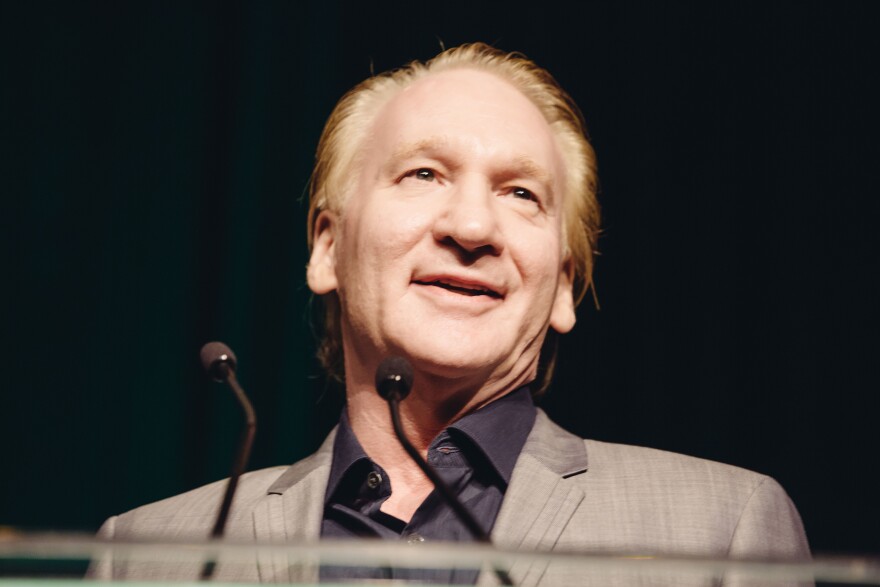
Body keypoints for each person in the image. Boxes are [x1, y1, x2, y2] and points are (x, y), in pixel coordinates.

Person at [90, 43, 810, 585]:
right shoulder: (146, 554)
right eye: (423, 173)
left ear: (562, 286)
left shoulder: (721, 529)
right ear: (327, 247)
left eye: (521, 193)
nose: (471, 227)